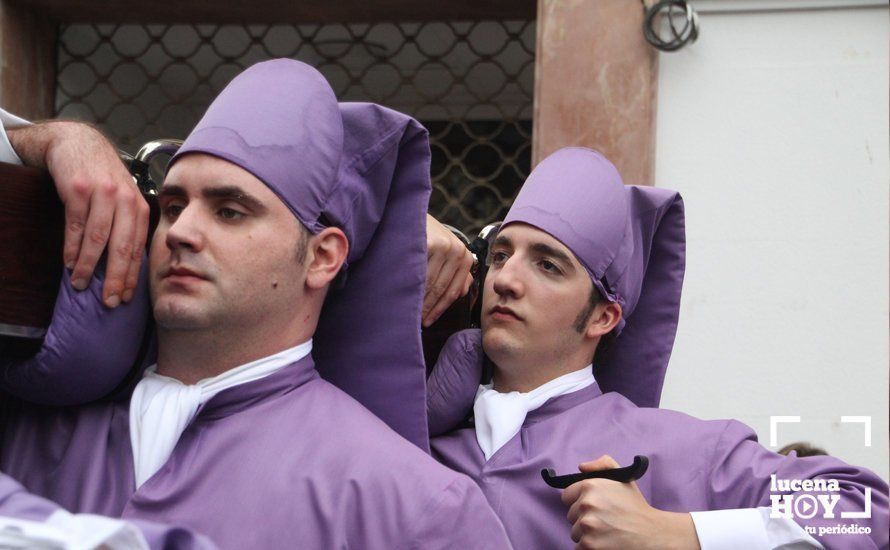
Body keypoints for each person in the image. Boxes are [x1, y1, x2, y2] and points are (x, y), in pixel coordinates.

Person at [0, 59, 511, 549]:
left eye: (229, 211)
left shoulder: (415, 506)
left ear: (321, 257)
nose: (181, 232)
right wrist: (53, 138)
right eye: (173, 206)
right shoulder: (27, 418)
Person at [427, 147, 889, 549]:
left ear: (603, 317)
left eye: (548, 265)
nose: (505, 279)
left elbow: (864, 511)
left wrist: (676, 534)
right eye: (502, 255)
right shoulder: (416, 434)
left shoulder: (686, 452)